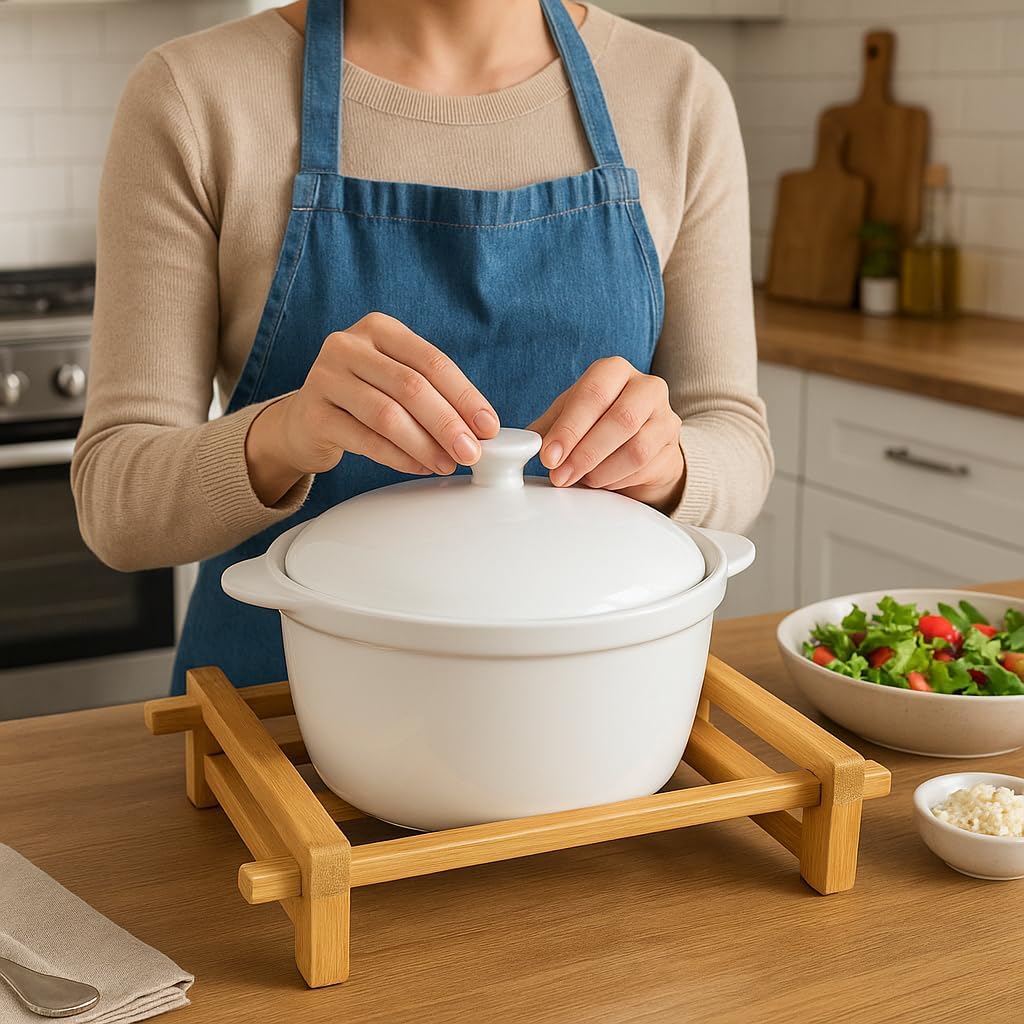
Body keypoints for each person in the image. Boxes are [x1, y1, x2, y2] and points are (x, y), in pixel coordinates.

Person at [71, 0, 773, 695]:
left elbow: (734, 433)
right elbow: (116, 506)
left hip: (591, 714)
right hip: (278, 721)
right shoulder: (194, 96)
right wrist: (283, 435)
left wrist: (668, 465)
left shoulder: (678, 93)